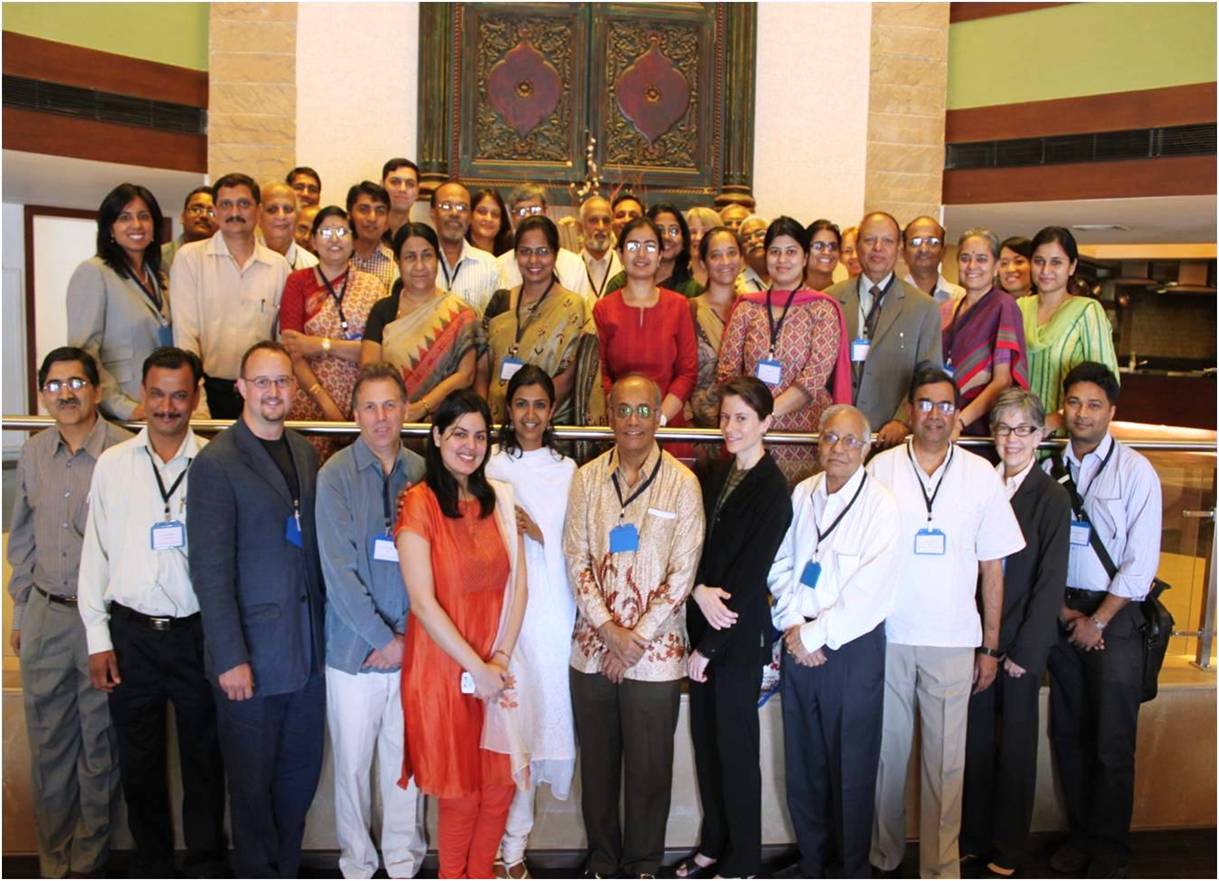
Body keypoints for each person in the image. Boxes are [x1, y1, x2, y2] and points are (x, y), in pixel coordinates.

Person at [866, 364, 1025, 879]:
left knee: (944, 765)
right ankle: (883, 856)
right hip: (888, 636)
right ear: (910, 410)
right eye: (926, 404)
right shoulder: (881, 469)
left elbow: (993, 567)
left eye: (945, 405)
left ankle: (939, 869)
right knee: (886, 758)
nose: (935, 414)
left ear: (958, 413)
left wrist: (991, 647)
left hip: (955, 641)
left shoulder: (981, 475)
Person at [77, 347, 226, 878]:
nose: (167, 406)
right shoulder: (113, 465)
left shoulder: (214, 463)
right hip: (131, 636)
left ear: (195, 397)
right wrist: (98, 637)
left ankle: (206, 865)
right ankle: (154, 867)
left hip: (197, 636)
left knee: (204, 763)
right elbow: (94, 553)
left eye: (179, 395)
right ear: (143, 394)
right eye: (157, 394)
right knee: (139, 767)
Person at [187, 340, 326, 878]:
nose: (273, 391)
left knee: (297, 787)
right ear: (241, 388)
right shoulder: (216, 464)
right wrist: (228, 658)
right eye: (262, 381)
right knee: (251, 796)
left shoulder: (303, 452)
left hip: (306, 657)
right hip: (250, 665)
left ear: (293, 388)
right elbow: (210, 571)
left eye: (282, 381)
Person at [563, 375, 704, 878]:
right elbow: (575, 557)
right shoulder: (585, 479)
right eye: (623, 410)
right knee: (599, 772)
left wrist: (634, 639)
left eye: (643, 411)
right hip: (592, 649)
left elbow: (683, 572)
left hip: (656, 654)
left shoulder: (683, 484)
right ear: (609, 414)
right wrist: (608, 632)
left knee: (648, 773)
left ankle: (644, 865)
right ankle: (603, 861)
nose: (633, 421)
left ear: (658, 416)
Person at [395, 389, 529, 879]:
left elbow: (519, 587)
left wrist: (501, 660)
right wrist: (478, 668)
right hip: (444, 670)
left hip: (495, 664)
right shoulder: (419, 503)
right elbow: (422, 603)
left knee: (500, 788)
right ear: (436, 437)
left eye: (479, 436)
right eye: (459, 435)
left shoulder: (498, 500)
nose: (470, 446)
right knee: (462, 796)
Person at [7, 347, 129, 879]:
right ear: (43, 395)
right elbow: (23, 539)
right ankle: (54, 861)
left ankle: (89, 858)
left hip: (101, 622)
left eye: (76, 382)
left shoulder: (125, 452)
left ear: (96, 390)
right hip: (44, 615)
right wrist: (19, 613)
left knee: (99, 742)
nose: (66, 393)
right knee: (49, 742)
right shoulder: (32, 454)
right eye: (55, 386)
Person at [770, 404, 902, 878]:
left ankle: (849, 869)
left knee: (850, 766)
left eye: (850, 440)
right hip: (797, 639)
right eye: (830, 438)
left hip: (850, 649)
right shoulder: (803, 493)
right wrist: (792, 624)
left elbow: (872, 591)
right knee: (803, 764)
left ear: (867, 447)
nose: (839, 448)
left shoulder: (882, 504)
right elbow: (781, 563)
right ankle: (812, 861)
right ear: (817, 442)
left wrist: (814, 635)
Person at [1043, 362, 1162, 879]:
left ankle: (1111, 847)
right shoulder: (1048, 469)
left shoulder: (1136, 471)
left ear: (1111, 412)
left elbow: (1141, 561)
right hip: (1062, 614)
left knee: (1113, 739)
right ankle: (1079, 837)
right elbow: (1037, 550)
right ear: (1062, 406)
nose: (1082, 413)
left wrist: (1099, 618)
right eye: (1074, 403)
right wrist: (1061, 611)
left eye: (1094, 405)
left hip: (1115, 617)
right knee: (1068, 732)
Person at [316, 363, 429, 879]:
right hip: (353, 656)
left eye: (390, 405)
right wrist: (386, 640)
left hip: (412, 653)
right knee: (353, 771)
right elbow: (338, 575)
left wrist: (406, 641)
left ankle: (403, 864)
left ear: (405, 409)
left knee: (404, 769)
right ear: (355, 413)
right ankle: (358, 867)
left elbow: (433, 567)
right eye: (369, 407)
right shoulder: (334, 475)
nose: (381, 418)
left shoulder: (424, 471)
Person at [679, 377, 791, 880]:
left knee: (737, 749)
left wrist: (712, 646)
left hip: (737, 639)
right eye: (725, 417)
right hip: (703, 625)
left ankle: (743, 858)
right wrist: (696, 589)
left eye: (742, 418)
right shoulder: (713, 473)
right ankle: (713, 843)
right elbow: (693, 545)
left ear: (766, 422)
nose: (730, 427)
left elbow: (751, 574)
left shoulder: (773, 488)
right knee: (707, 744)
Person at [961, 388, 1070, 877]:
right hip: (980, 636)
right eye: (1002, 428)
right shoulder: (981, 482)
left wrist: (1025, 647)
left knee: (1017, 748)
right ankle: (974, 838)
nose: (1011, 438)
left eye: (1023, 429)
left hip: (1023, 641)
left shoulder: (1051, 496)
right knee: (978, 743)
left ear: (1041, 436)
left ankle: (1008, 849)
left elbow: (1051, 579)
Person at [485, 367, 579, 879]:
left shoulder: (569, 470)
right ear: (508, 408)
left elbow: (578, 544)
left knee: (541, 719)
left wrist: (540, 532)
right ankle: (499, 850)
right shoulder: (492, 465)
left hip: (553, 609)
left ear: (551, 410)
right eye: (521, 404)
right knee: (507, 725)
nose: (529, 415)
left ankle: (515, 850)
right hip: (504, 612)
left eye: (539, 404)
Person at [717, 216, 851, 485]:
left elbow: (815, 375)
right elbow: (728, 370)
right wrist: (751, 419)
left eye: (791, 252)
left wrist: (765, 414)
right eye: (775, 252)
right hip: (750, 434)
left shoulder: (822, 308)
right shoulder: (747, 307)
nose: (782, 260)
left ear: (804, 258)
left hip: (802, 436)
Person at [171, 172, 292, 418]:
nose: (234, 212)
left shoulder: (278, 266)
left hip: (260, 394)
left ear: (258, 211)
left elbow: (280, 340)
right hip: (207, 390)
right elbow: (185, 337)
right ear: (215, 211)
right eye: (226, 204)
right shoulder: (190, 258)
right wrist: (197, 399)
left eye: (243, 204)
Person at [825, 211, 943, 448]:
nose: (878, 248)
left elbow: (928, 376)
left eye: (887, 241)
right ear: (857, 246)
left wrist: (902, 421)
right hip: (836, 433)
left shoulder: (923, 307)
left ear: (899, 248)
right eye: (869, 240)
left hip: (890, 437)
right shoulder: (830, 299)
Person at [280, 206, 386, 458]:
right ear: (314, 241)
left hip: (362, 405)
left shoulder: (372, 286)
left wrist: (319, 345)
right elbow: (293, 352)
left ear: (353, 239)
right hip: (309, 403)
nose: (335, 238)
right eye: (326, 232)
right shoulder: (298, 282)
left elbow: (378, 352)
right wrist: (326, 405)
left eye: (342, 231)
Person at [67, 182, 173, 420]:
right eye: (124, 217)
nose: (136, 225)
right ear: (110, 229)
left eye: (144, 216)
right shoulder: (94, 272)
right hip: (122, 409)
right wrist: (121, 406)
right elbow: (84, 354)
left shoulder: (159, 276)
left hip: (159, 404)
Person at [361, 222, 483, 423]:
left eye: (427, 255)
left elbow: (466, 375)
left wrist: (422, 407)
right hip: (391, 420)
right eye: (410, 257)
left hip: (445, 423)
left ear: (437, 259)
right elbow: (370, 372)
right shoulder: (383, 310)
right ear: (398, 262)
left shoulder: (460, 313)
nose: (419, 265)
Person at [476, 216, 592, 424]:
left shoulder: (573, 307)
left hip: (546, 425)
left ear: (556, 254)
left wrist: (527, 412)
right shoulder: (501, 301)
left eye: (542, 251)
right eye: (525, 251)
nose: (533, 260)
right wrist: (484, 413)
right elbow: (483, 368)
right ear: (516, 255)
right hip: (496, 423)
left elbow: (569, 377)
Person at [593, 217, 698, 445]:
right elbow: (600, 373)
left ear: (660, 255)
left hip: (667, 426)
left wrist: (658, 419)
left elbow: (687, 372)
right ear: (620, 254)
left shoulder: (679, 305)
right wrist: (626, 416)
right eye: (632, 247)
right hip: (621, 427)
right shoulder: (604, 309)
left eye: (650, 246)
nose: (641, 254)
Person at [1018, 226, 1119, 432]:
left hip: (1069, 435)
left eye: (1056, 262)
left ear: (1072, 267)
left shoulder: (1087, 311)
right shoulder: (1018, 308)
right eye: (1039, 261)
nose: (1046, 270)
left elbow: (1106, 384)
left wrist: (1054, 421)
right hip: (1020, 434)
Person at [942, 228, 1029, 437]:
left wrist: (960, 421)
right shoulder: (947, 309)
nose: (972, 266)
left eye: (981, 259)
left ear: (996, 266)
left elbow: (1003, 380)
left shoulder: (1003, 306)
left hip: (978, 427)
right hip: (944, 420)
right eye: (965, 258)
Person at [496, 184, 593, 298]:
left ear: (546, 211)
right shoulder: (499, 265)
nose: (527, 216)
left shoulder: (573, 264)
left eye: (534, 209)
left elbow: (581, 311)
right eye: (520, 211)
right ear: (512, 217)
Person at [687, 227, 740, 433]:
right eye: (716, 255)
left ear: (741, 259)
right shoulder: (690, 310)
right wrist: (689, 427)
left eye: (732, 253)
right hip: (701, 434)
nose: (726, 261)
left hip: (744, 431)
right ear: (703, 263)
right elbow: (679, 372)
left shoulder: (754, 310)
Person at [431, 180, 501, 314]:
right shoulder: (417, 261)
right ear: (433, 213)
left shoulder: (489, 265)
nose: (454, 213)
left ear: (469, 217)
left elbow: (499, 323)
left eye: (462, 208)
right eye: (446, 206)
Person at [348, 181, 400, 295]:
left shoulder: (395, 264)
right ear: (350, 215)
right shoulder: (336, 258)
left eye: (380, 211)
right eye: (364, 209)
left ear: (387, 220)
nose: (372, 218)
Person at [903, 215, 965, 304]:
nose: (923, 249)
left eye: (933, 242)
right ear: (903, 252)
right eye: (915, 242)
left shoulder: (961, 298)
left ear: (943, 251)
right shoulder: (889, 298)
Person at [260, 180, 319, 270]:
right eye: (272, 209)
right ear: (258, 216)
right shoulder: (242, 260)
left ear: (297, 216)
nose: (281, 216)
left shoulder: (312, 265)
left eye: (287, 209)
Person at [579, 195, 623, 303]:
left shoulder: (624, 266)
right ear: (581, 226)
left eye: (606, 221)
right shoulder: (571, 267)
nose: (601, 227)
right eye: (593, 220)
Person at [161, 185, 216, 271]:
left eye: (211, 212)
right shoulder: (160, 257)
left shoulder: (227, 260)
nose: (204, 215)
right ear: (182, 217)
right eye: (196, 209)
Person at [467, 188, 514, 256]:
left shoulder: (511, 253)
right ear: (470, 215)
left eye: (495, 214)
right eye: (482, 212)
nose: (489, 219)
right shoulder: (458, 249)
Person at [383, 158, 421, 241]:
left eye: (410, 184)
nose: (402, 189)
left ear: (418, 191)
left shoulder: (418, 240)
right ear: (382, 186)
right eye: (395, 182)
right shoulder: (367, 234)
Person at [685, 206, 722, 290]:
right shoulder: (678, 273)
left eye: (705, 232)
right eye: (693, 232)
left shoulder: (728, 272)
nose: (698, 237)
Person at [804, 219, 841, 291]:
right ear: (805, 251)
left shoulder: (846, 297)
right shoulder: (790, 297)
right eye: (818, 246)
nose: (827, 252)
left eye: (833, 246)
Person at [736, 214, 769, 292]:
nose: (753, 241)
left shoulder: (790, 275)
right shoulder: (736, 285)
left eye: (760, 234)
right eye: (747, 238)